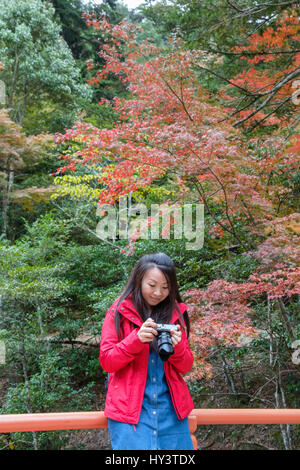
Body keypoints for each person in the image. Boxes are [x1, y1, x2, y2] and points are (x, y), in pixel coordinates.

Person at [99, 252, 195, 450]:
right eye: (152, 285)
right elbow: (107, 361)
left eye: (165, 287)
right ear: (138, 280)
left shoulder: (175, 314)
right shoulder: (119, 311)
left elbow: (186, 366)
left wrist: (177, 348)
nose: (158, 293)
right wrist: (135, 340)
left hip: (172, 410)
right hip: (129, 412)